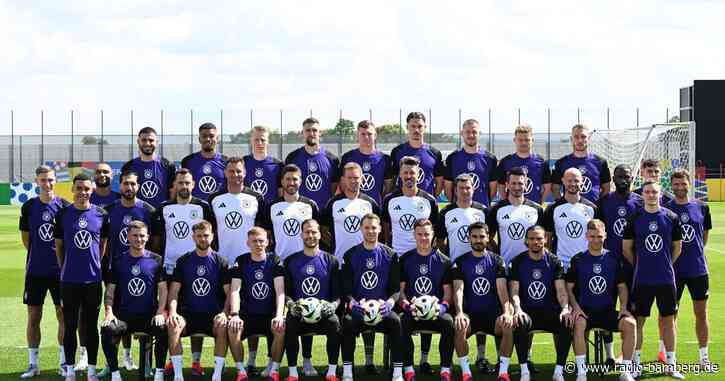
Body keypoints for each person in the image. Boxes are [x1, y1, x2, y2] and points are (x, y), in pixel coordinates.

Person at [151, 168, 215, 375]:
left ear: (193, 184)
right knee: (173, 315)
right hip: (171, 268)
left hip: (197, 267)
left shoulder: (203, 206)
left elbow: (210, 235)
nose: (184, 187)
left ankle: (196, 361)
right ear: (174, 186)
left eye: (187, 183)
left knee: (196, 310)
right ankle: (172, 360)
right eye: (180, 183)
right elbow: (158, 240)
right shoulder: (164, 208)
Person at [623, 181, 684, 379]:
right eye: (647, 192)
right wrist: (641, 264)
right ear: (643, 195)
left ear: (660, 194)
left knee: (668, 320)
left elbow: (677, 248)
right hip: (642, 279)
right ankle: (636, 363)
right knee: (638, 322)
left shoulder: (671, 217)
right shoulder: (635, 218)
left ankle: (671, 364)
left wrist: (664, 264)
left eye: (654, 192)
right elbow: (627, 248)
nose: (650, 195)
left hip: (666, 279)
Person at [100, 170, 156, 375]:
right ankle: (111, 364)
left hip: (142, 270)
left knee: (144, 313)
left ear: (138, 186)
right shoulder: (109, 210)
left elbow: (154, 241)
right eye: (125, 184)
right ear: (120, 185)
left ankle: (146, 363)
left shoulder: (148, 210)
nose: (129, 188)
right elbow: (102, 241)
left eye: (133, 184)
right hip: (117, 271)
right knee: (114, 316)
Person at [566, 220, 637, 381]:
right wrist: (575, 308)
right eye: (592, 236)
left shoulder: (613, 259)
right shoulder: (577, 260)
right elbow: (568, 288)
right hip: (585, 312)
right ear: (586, 236)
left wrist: (624, 308)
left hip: (607, 312)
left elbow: (622, 287)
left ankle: (625, 372)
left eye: (599, 236)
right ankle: (582, 372)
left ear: (605, 236)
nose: (596, 240)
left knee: (630, 324)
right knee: (578, 324)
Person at [54, 173, 109, 381]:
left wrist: (93, 263)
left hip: (93, 280)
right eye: (79, 188)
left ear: (91, 190)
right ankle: (69, 371)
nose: (82, 192)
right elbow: (59, 246)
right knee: (70, 325)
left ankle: (92, 371)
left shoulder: (101, 214)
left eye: (86, 188)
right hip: (68, 281)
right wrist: (65, 268)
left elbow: (102, 245)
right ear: (72, 190)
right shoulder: (62, 215)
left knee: (91, 326)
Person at [100, 221, 167, 381]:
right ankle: (115, 373)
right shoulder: (118, 261)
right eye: (135, 236)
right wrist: (109, 313)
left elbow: (163, 290)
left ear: (147, 237)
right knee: (107, 329)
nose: (139, 239)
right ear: (128, 237)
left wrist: (160, 312)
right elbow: (110, 291)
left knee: (163, 328)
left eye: (142, 236)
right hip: (124, 317)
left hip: (149, 316)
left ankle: (159, 373)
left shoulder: (157, 260)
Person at [19, 166, 70, 378]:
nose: (47, 184)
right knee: (34, 316)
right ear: (36, 181)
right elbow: (26, 239)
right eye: (43, 180)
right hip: (35, 271)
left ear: (55, 180)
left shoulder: (65, 207)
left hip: (61, 272)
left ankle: (63, 362)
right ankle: (33, 364)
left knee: (63, 316)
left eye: (50, 180)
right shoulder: (29, 207)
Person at [341, 214, 403, 381]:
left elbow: (395, 288)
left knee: (396, 321)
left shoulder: (391, 255)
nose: (370, 231)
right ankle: (347, 372)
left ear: (380, 229)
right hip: (359, 310)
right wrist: (353, 304)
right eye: (367, 227)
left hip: (382, 309)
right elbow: (346, 288)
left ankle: (397, 373)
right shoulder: (350, 255)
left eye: (374, 227)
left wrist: (390, 303)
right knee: (346, 322)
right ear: (361, 229)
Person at [167, 221, 230, 381]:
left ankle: (216, 375)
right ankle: (178, 376)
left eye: (206, 235)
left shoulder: (221, 261)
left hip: (213, 315)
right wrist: (173, 313)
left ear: (212, 236)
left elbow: (229, 294)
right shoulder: (183, 261)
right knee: (173, 325)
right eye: (199, 236)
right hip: (188, 315)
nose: (203, 239)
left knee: (223, 325)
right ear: (193, 237)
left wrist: (224, 313)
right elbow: (174, 291)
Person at [451, 222, 515, 381]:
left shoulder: (497, 261)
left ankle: (503, 372)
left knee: (508, 324)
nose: (478, 240)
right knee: (459, 325)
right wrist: (459, 313)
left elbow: (502, 291)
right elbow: (458, 290)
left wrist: (507, 312)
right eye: (474, 236)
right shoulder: (460, 261)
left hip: (492, 316)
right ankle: (466, 372)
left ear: (488, 238)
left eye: (481, 236)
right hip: (470, 315)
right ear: (469, 238)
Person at [508, 226, 572, 381]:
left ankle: (558, 371)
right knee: (519, 321)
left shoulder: (554, 261)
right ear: (526, 241)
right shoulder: (518, 261)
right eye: (531, 239)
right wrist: (517, 309)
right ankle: (524, 370)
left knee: (566, 321)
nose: (535, 242)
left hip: (550, 311)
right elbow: (514, 291)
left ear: (545, 239)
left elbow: (561, 290)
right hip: (527, 312)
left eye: (539, 238)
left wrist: (564, 309)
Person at [665, 169, 713, 369]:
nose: (679, 187)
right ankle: (671, 359)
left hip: (698, 270)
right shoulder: (665, 209)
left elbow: (704, 237)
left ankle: (703, 357)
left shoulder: (702, 207)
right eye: (676, 184)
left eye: (683, 183)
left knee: (701, 314)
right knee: (670, 315)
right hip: (673, 272)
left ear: (689, 184)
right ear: (671, 186)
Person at [283, 219, 342, 381]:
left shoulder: (331, 261)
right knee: (290, 323)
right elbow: (286, 293)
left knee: (335, 322)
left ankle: (331, 371)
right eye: (307, 232)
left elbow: (337, 295)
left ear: (320, 234)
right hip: (299, 312)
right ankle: (293, 373)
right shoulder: (290, 261)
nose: (311, 235)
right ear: (301, 235)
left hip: (323, 313)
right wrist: (290, 304)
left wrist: (333, 306)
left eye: (314, 232)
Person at [596, 164, 642, 364]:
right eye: (619, 176)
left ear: (632, 178)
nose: (623, 179)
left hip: (633, 265)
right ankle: (609, 354)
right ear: (613, 179)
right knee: (606, 308)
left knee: (630, 311)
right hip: (609, 264)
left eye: (626, 176)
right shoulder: (604, 202)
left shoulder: (640, 202)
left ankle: (628, 357)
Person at [398, 219, 455, 381]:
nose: (424, 238)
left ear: (433, 235)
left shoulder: (444, 261)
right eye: (420, 234)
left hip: (436, 311)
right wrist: (407, 306)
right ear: (414, 235)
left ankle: (445, 370)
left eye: (427, 234)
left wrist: (442, 308)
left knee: (449, 322)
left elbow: (447, 293)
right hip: (413, 312)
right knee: (401, 322)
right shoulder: (405, 260)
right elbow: (400, 292)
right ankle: (408, 370)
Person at [227, 228, 287, 381]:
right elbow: (235, 290)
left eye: (261, 241)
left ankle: (274, 370)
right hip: (248, 314)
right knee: (233, 327)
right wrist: (234, 314)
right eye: (254, 241)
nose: (258, 244)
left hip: (269, 314)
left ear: (267, 242)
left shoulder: (275, 260)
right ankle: (241, 371)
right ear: (248, 243)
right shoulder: (241, 261)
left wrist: (279, 315)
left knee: (281, 327)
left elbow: (280, 291)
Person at [208, 157, 265, 265]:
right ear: (225, 173)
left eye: (238, 171)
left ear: (244, 173)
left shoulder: (256, 198)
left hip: (249, 259)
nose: (235, 174)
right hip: (222, 259)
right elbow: (211, 229)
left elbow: (262, 230)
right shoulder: (214, 198)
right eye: (231, 171)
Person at [321, 162, 380, 262]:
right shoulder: (333, 203)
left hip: (365, 260)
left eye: (356, 177)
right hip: (339, 260)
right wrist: (334, 245)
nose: (353, 181)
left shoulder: (370, 203)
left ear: (362, 179)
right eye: (349, 178)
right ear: (343, 180)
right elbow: (323, 229)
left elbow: (379, 231)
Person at [382, 156, 440, 255]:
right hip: (397, 255)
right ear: (400, 174)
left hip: (420, 256)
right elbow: (386, 228)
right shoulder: (389, 200)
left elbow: (433, 231)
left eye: (412, 173)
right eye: (405, 173)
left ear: (418, 174)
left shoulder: (429, 201)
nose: (409, 176)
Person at [543, 168, 598, 271]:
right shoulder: (552, 209)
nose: (573, 184)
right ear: (563, 181)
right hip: (561, 265)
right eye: (569, 181)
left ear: (582, 181)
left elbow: (597, 238)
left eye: (576, 180)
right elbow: (547, 240)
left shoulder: (592, 209)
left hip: (585, 264)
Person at [488, 167, 544, 266]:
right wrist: (498, 254)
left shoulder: (537, 209)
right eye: (513, 183)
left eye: (520, 183)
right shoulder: (496, 209)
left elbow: (543, 239)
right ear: (507, 185)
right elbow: (489, 238)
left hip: (531, 266)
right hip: (505, 266)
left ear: (526, 185)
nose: (517, 187)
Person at [285, 117, 340, 211]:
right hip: (299, 212)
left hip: (324, 213)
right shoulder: (292, 158)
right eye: (308, 130)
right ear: (302, 133)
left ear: (320, 133)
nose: (311, 133)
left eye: (315, 130)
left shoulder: (332, 159)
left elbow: (334, 188)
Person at [389, 112, 445, 197]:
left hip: (425, 206)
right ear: (407, 127)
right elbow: (392, 183)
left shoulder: (435, 153)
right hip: (402, 204)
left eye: (420, 126)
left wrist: (429, 199)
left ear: (425, 127)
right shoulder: (397, 152)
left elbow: (440, 183)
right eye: (413, 126)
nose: (416, 130)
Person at [551, 124, 611, 202]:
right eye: (576, 137)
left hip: (593, 211)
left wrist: (597, 206)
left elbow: (606, 189)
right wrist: (564, 205)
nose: (580, 140)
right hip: (570, 211)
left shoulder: (601, 162)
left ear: (589, 138)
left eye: (583, 137)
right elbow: (555, 189)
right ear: (571, 139)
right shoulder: (561, 163)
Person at [444, 118, 497, 206]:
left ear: (479, 133)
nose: (471, 135)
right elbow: (447, 189)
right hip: (459, 211)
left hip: (482, 212)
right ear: (462, 133)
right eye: (467, 132)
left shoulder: (490, 159)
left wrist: (481, 205)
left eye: (474, 132)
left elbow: (493, 190)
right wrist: (457, 205)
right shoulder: (452, 158)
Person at [339, 120, 393, 205]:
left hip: (375, 209)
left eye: (369, 134)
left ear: (375, 135)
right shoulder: (347, 157)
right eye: (363, 134)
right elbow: (343, 185)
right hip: (351, 206)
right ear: (357, 136)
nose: (366, 137)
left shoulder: (385, 159)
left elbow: (388, 187)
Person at [121, 127, 176, 209]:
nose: (147, 143)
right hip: (138, 216)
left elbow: (172, 193)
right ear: (138, 142)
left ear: (157, 142)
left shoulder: (168, 166)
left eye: (151, 140)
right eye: (143, 140)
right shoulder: (128, 167)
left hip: (161, 215)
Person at [495, 124, 551, 204]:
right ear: (515, 140)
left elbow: (547, 187)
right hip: (511, 208)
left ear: (532, 140)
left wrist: (539, 203)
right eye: (520, 140)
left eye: (527, 140)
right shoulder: (505, 161)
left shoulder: (542, 162)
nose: (524, 143)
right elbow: (501, 186)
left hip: (533, 210)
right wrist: (507, 202)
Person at [436, 174, 487, 261]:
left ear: (473, 189)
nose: (464, 191)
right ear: (455, 190)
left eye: (468, 188)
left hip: (479, 263)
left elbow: (488, 239)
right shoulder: (445, 212)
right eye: (461, 188)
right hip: (454, 265)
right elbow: (440, 241)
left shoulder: (483, 211)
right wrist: (447, 259)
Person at [181, 122, 227, 201]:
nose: (208, 139)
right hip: (195, 209)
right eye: (204, 136)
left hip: (219, 209)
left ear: (217, 139)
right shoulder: (188, 161)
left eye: (211, 136)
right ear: (199, 139)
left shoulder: (226, 161)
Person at [244, 125, 284, 205]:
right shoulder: (243, 163)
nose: (259, 143)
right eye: (256, 140)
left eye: (263, 140)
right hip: (248, 212)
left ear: (268, 141)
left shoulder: (278, 165)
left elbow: (281, 193)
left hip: (270, 212)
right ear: (251, 141)